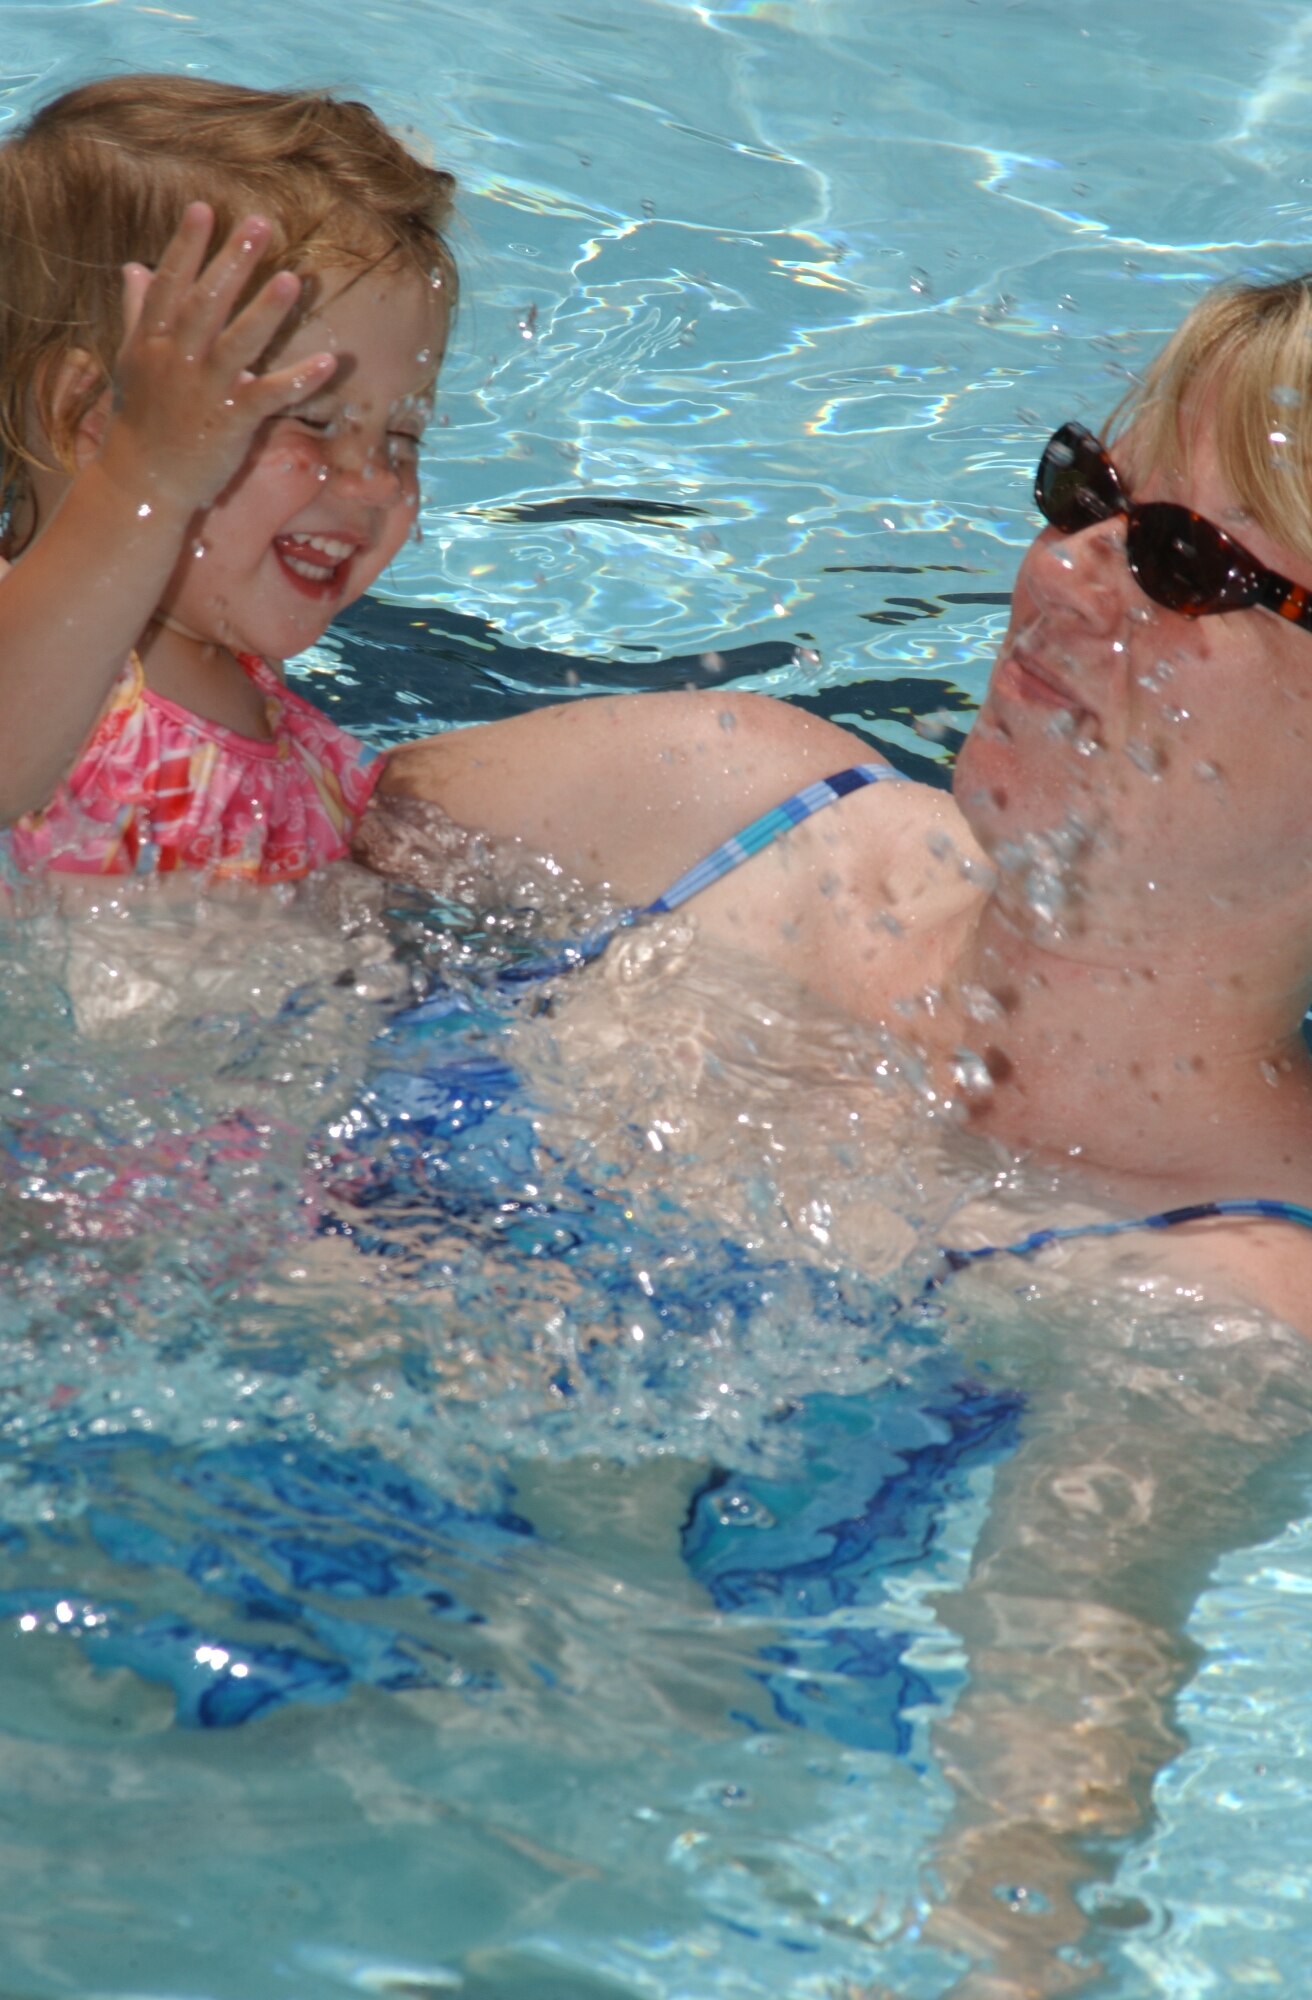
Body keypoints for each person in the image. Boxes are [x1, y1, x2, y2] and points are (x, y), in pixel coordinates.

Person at [362, 272, 1312, 1337]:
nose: (1056, 573)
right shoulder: (717, 805)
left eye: (1180, 560)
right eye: (1087, 497)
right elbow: (193, 819)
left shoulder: (1228, 1312)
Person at [0, 74, 455, 883]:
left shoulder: (241, 661)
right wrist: (145, 481)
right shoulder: (32, 653)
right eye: (313, 420)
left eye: (403, 434)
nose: (379, 482)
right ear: (90, 422)